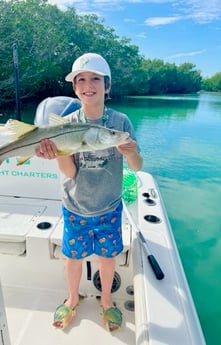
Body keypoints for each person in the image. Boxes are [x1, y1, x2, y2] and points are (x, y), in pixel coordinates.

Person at [35, 53, 143, 331]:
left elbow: (137, 165)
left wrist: (130, 152)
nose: (88, 84)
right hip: (75, 207)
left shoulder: (120, 123)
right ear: (74, 88)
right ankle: (73, 297)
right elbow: (70, 173)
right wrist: (58, 152)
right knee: (73, 257)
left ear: (107, 85)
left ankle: (106, 299)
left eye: (95, 78)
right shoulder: (67, 123)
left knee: (107, 258)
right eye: (81, 79)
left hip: (109, 206)